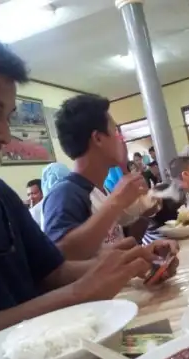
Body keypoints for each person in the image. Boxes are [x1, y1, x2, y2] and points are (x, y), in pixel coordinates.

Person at [0, 26, 172, 350]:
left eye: (8, 118)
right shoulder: (65, 192)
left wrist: (126, 264)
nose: (4, 136)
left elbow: (53, 271)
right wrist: (78, 293)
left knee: (176, 350)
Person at [42, 94, 168, 261]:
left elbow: (115, 246)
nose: (122, 142)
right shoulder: (65, 194)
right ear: (98, 138)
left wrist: (145, 250)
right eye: (116, 133)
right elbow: (60, 255)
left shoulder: (102, 190)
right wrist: (116, 202)